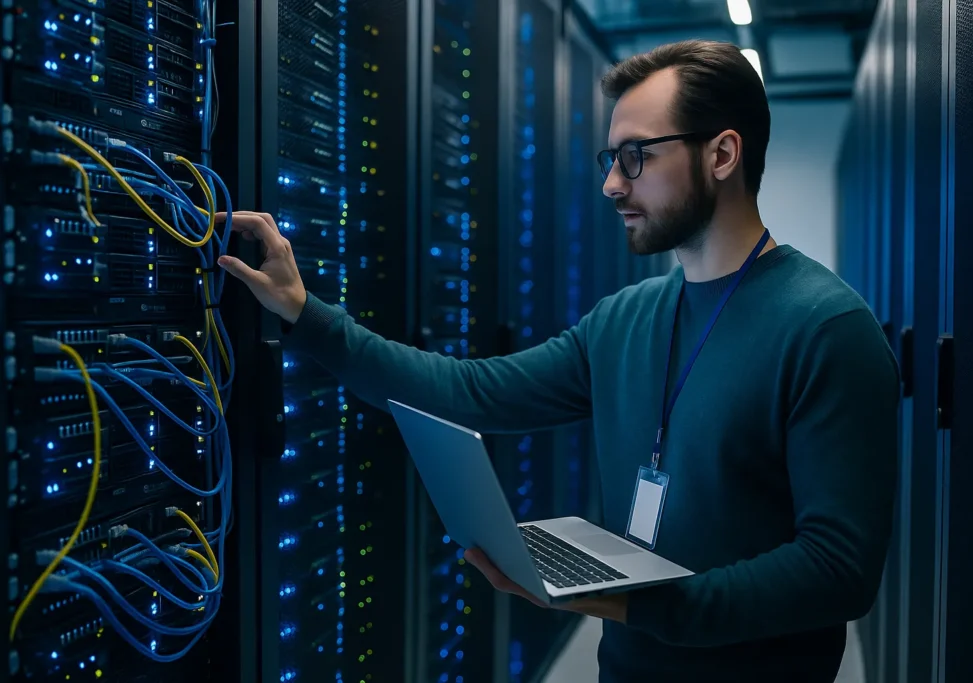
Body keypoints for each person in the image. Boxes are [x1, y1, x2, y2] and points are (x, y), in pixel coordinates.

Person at [218, 39, 899, 683]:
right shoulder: (625, 319)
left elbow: (837, 568)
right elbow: (470, 392)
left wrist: (639, 603)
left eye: (635, 157)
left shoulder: (827, 329)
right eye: (610, 157)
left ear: (722, 154)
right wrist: (306, 316)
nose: (611, 183)